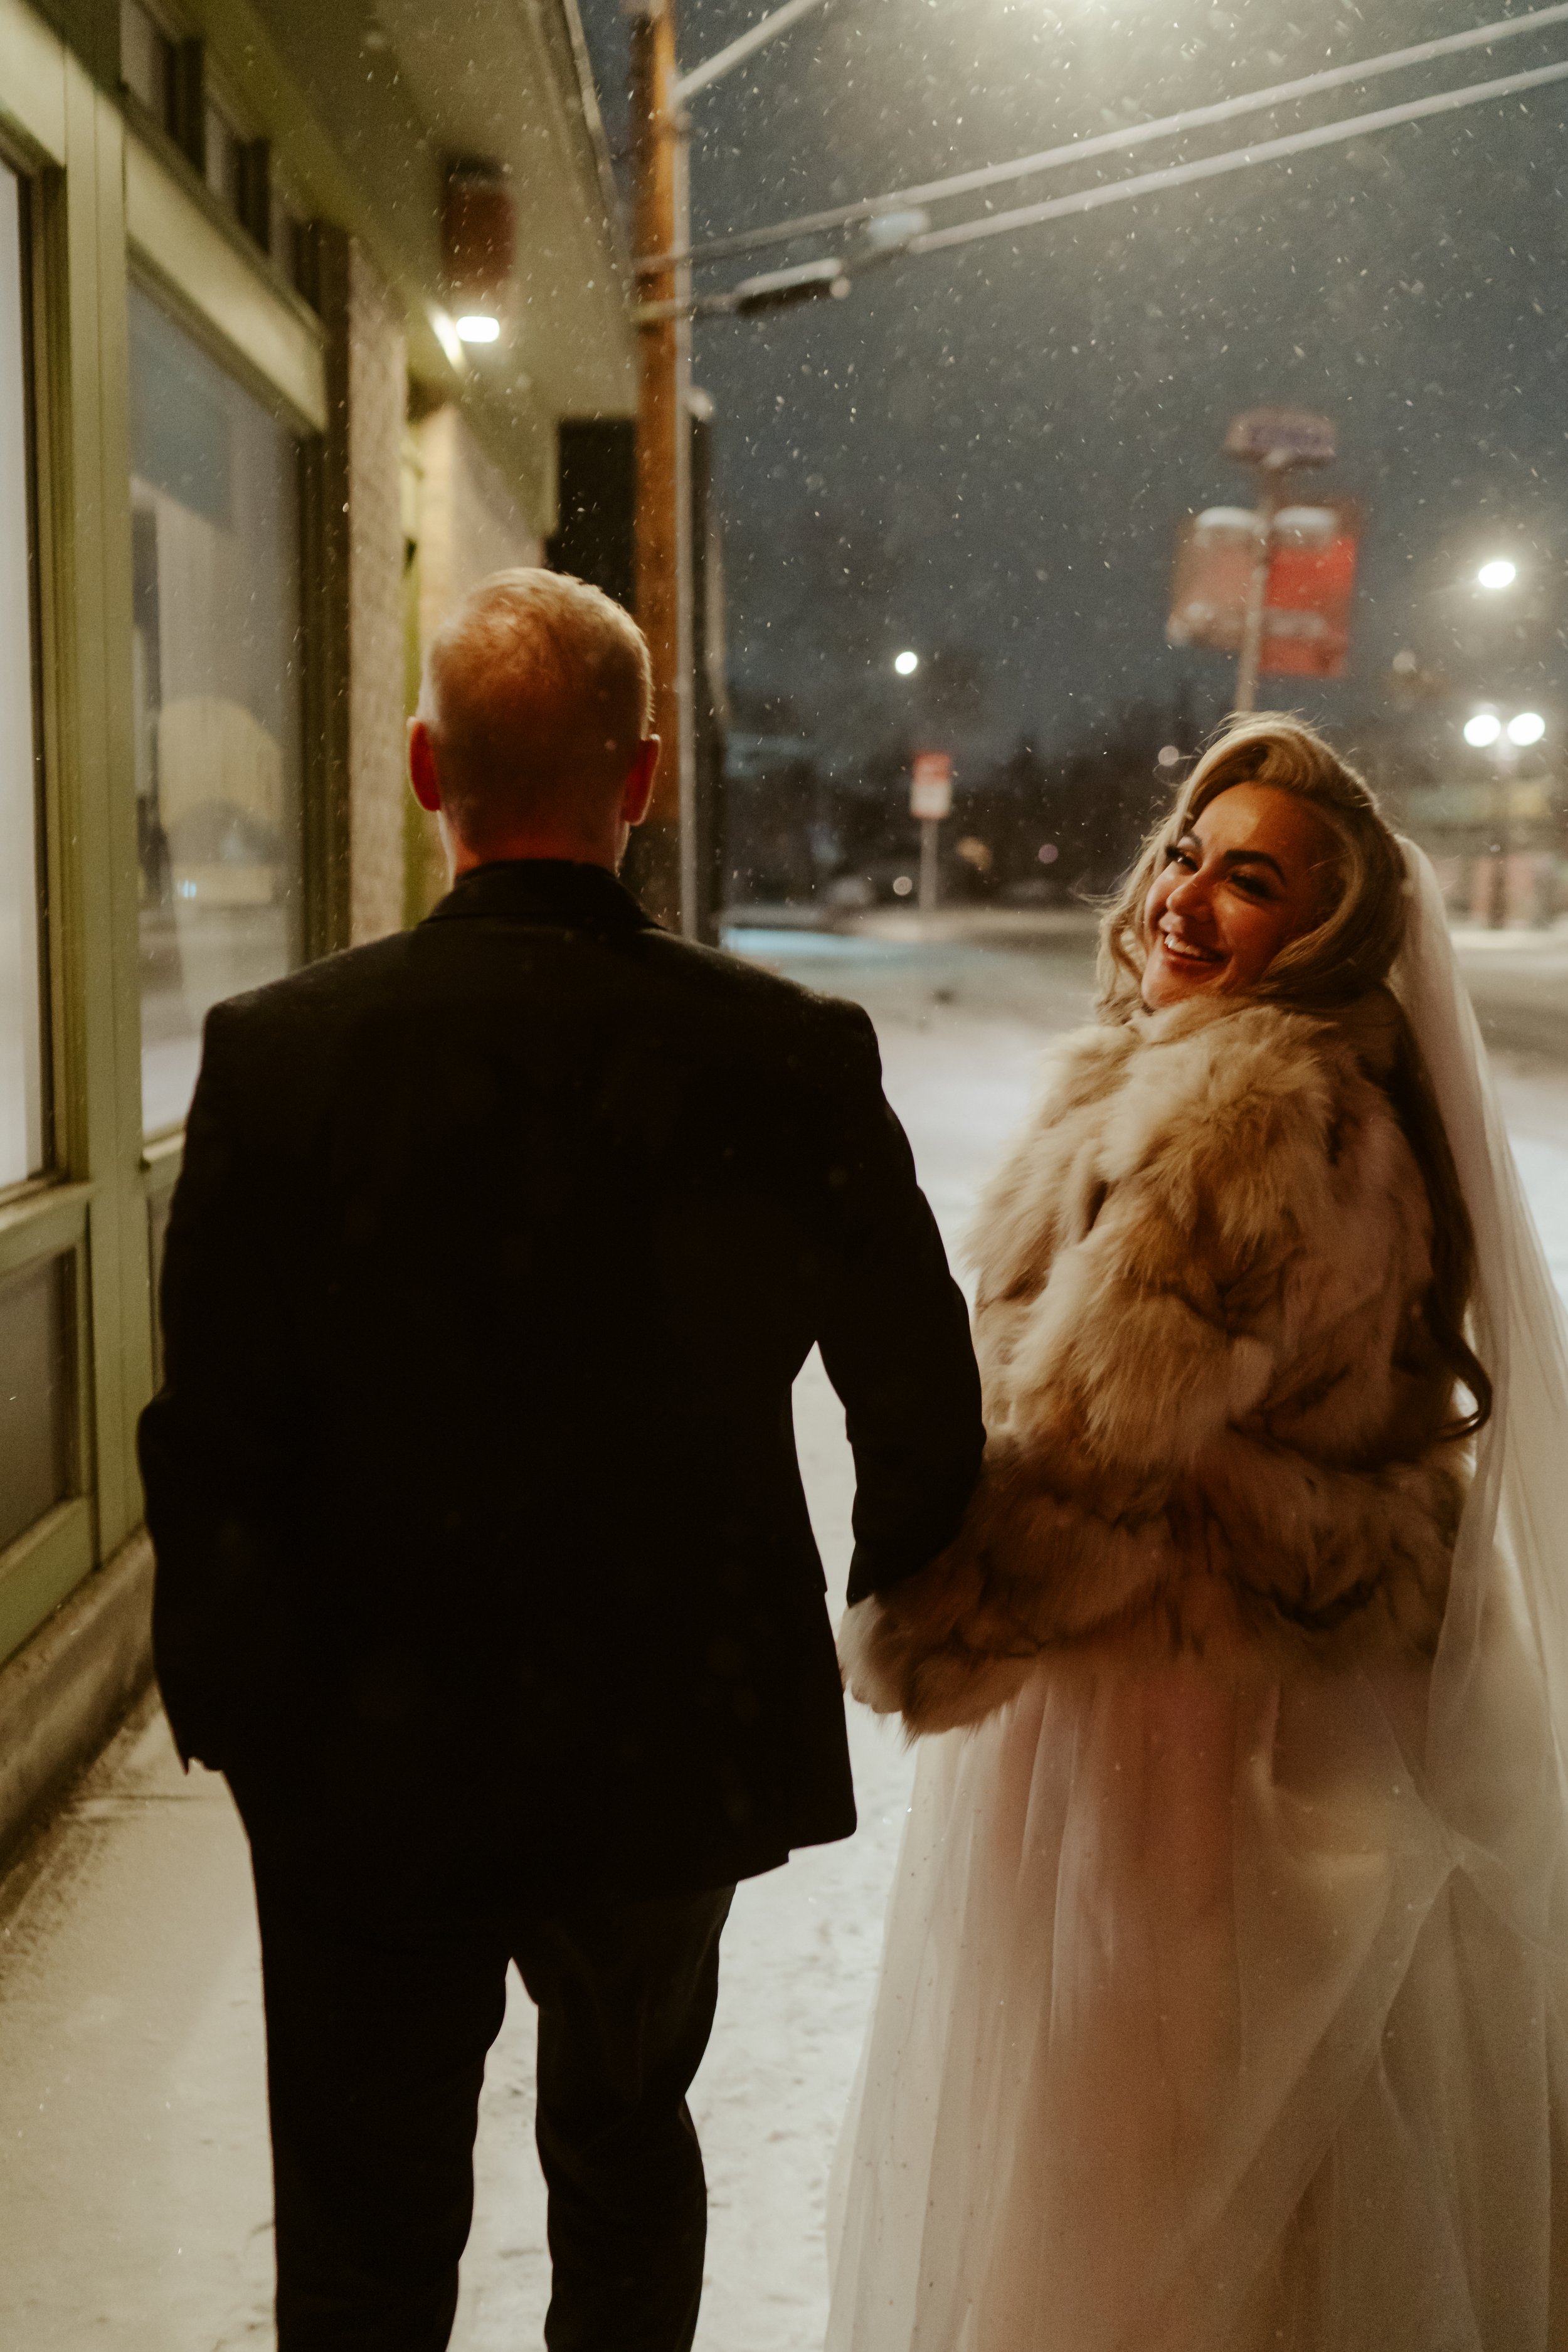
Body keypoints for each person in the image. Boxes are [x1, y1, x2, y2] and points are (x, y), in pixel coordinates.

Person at [137, 568, 983, 2352]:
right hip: (661, 1731)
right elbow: (915, 1384)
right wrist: (896, 1584)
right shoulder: (783, 1056)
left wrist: (241, 1699)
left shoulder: (282, 1055)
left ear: (431, 775)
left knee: (363, 2215)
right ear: (646, 777)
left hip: (362, 1741)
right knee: (622, 2143)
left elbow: (208, 1425)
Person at [830, 714, 1568, 2351]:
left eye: (1249, 881)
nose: (1185, 894)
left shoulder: (1233, 1111)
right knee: (1259, 2117)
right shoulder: (1306, 1085)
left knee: (1140, 2122)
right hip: (1279, 1679)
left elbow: (1102, 1451)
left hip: (1176, 1706)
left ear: (1314, 933)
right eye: (1185, 851)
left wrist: (940, 1628)